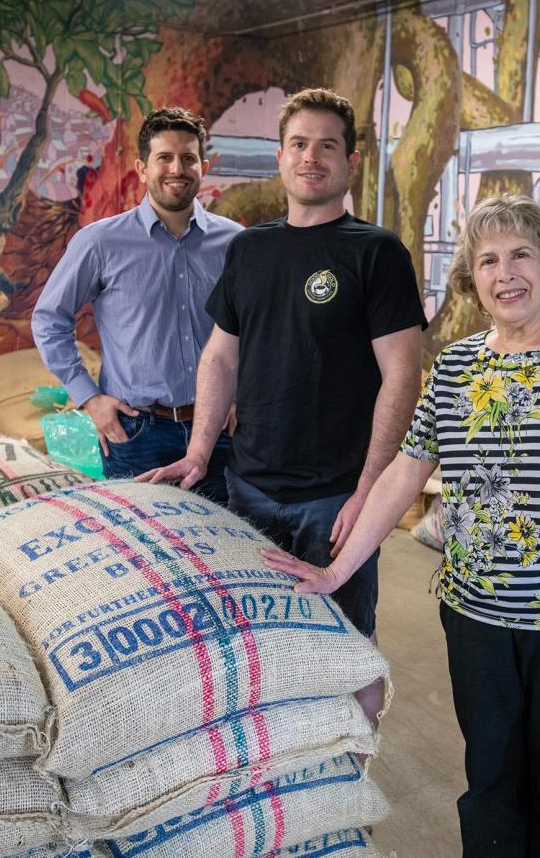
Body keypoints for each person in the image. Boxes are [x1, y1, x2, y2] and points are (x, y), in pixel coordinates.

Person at [263, 195, 540, 857]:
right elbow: (404, 472)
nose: (506, 274)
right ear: (471, 279)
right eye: (488, 261)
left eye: (520, 256)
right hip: (475, 614)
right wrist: (339, 567)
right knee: (490, 782)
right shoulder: (455, 366)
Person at [140, 88, 427, 721]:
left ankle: (350, 780)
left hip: (334, 498)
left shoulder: (374, 253)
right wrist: (199, 452)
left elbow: (403, 376)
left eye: (328, 145)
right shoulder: (251, 250)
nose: (312, 157)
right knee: (260, 646)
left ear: (351, 160)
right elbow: (220, 357)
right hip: (250, 489)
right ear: (280, 157)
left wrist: (369, 488)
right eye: (299, 144)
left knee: (348, 647)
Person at [31, 107, 242, 505]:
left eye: (188, 158)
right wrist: (89, 398)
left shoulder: (236, 244)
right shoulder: (99, 243)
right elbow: (48, 320)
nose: (176, 169)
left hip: (221, 431)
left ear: (204, 166)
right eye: (164, 158)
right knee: (141, 557)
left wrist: (243, 394)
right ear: (143, 169)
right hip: (136, 432)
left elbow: (257, 328)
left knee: (222, 559)